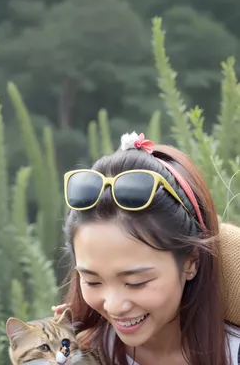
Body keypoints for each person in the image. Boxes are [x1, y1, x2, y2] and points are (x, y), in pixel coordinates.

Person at [54, 131, 240, 365]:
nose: (114, 306)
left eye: (136, 282)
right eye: (92, 281)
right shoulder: (78, 356)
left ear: (191, 261)